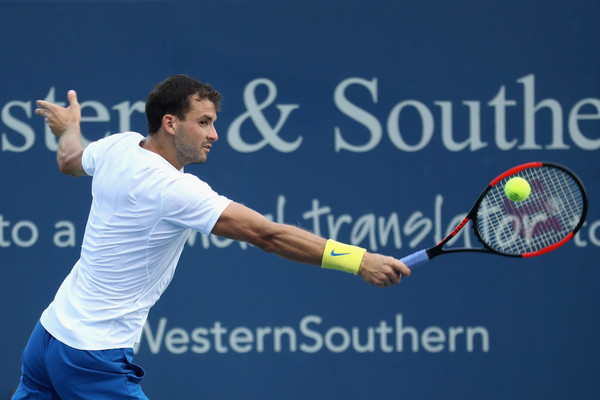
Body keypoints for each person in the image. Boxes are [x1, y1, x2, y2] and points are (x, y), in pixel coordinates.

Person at [13, 75, 410, 399]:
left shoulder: (119, 145)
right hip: (91, 354)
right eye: (203, 122)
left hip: (47, 338)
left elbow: (68, 161)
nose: (214, 134)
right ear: (170, 123)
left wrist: (69, 129)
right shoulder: (173, 189)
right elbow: (267, 235)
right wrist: (358, 260)